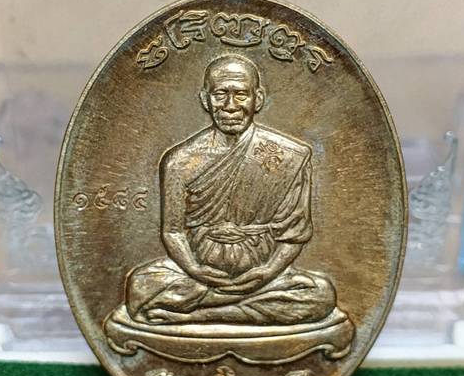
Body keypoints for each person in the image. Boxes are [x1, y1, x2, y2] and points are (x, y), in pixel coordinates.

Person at [126, 53, 339, 325]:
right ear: (205, 100)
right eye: (220, 94)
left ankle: (207, 313)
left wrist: (269, 272)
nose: (229, 106)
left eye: (240, 94)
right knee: (140, 285)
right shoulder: (180, 161)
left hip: (265, 276)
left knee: (321, 293)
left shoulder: (290, 156)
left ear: (257, 99)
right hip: (199, 275)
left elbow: (294, 234)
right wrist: (195, 269)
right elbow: (173, 231)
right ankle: (240, 308)